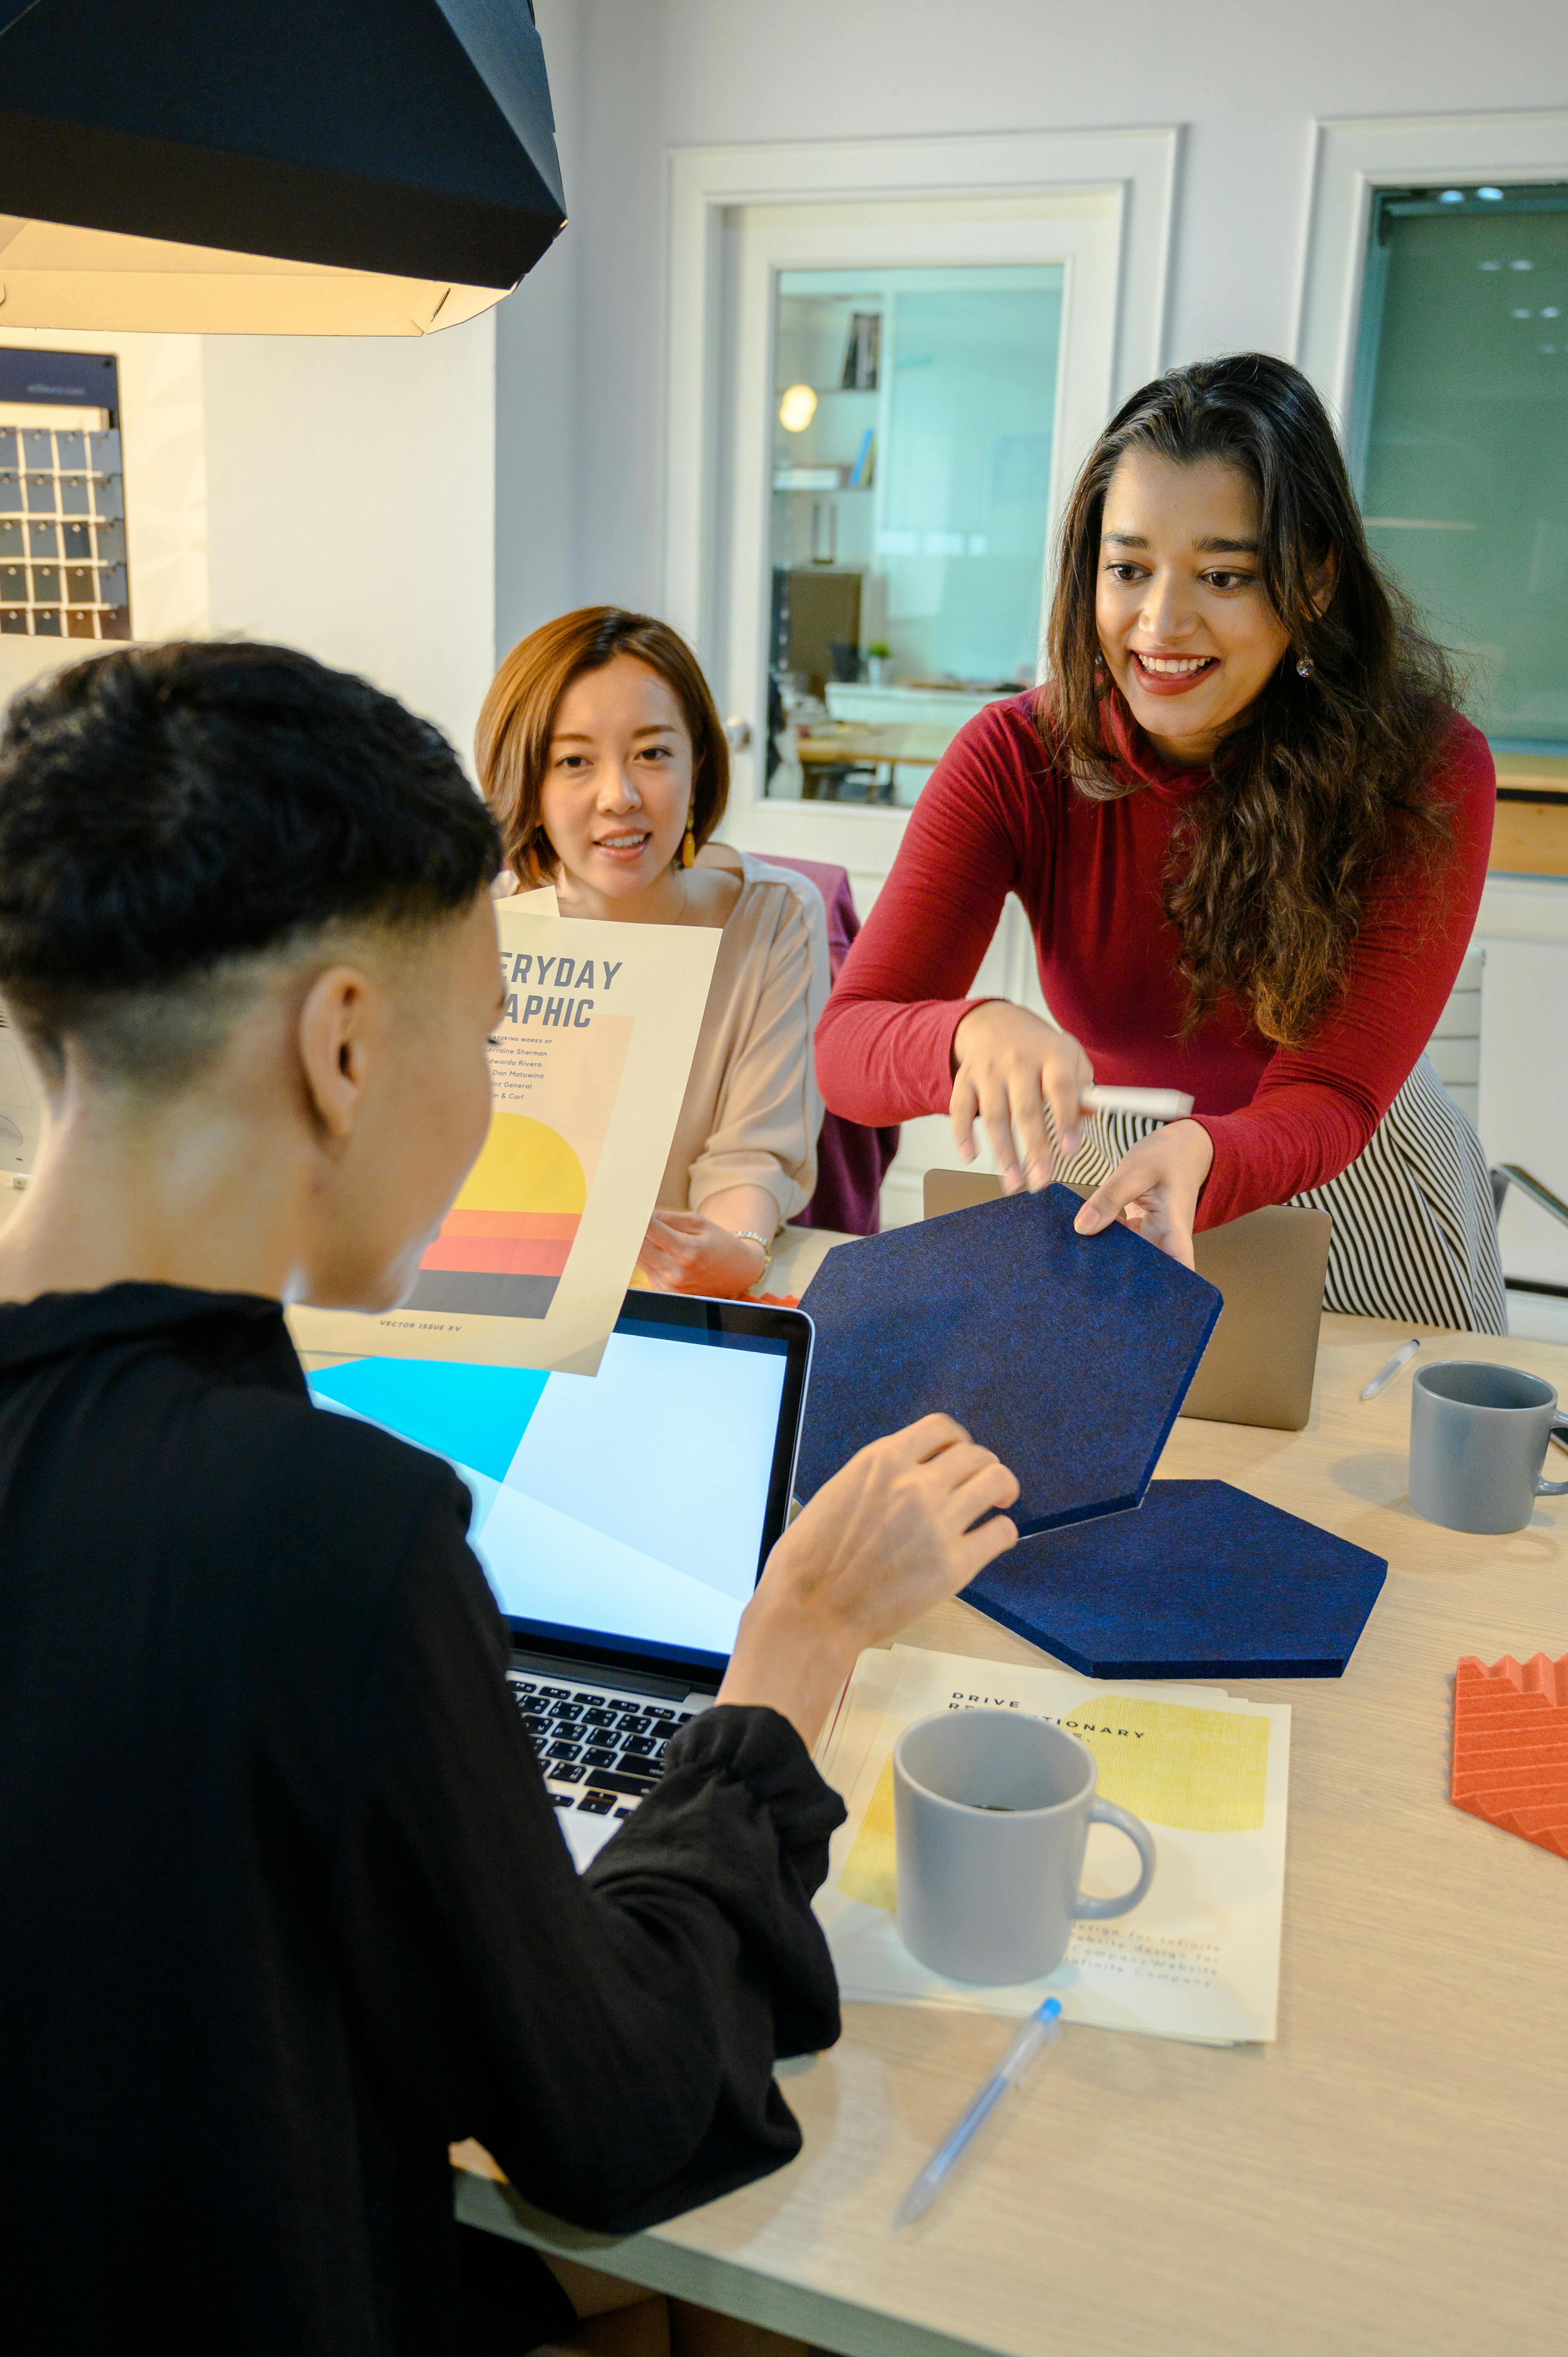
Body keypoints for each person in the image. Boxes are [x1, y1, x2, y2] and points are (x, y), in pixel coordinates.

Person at [0, 642, 1021, 2355]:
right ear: (343, 1046)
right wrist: (796, 1649)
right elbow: (608, 2110)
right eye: (484, 1039)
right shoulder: (334, 1541)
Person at [816, 353, 1504, 1332]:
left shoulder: (1424, 769)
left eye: (1222, 575)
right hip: (1123, 1179)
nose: (1161, 622)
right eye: (1128, 568)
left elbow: (1332, 1094)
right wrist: (968, 1030)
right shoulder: (1014, 756)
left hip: (1356, 1188)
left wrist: (1209, 1156)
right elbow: (847, 1046)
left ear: (1312, 579)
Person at [478, 609, 829, 1299]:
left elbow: (750, 1157)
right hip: (495, 1294)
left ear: (698, 760)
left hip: (664, 1305)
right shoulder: (473, 925)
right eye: (574, 761)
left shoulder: (774, 917)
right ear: (530, 780)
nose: (620, 797)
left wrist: (739, 1251)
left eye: (652, 753)